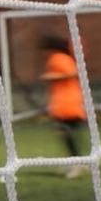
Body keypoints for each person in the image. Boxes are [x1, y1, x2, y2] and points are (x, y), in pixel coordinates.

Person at [40, 35, 88, 178]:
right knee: (66, 133)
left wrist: (51, 77)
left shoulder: (58, 58)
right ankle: (78, 161)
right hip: (67, 102)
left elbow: (71, 73)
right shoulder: (63, 57)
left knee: (66, 133)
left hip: (67, 104)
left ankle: (77, 163)